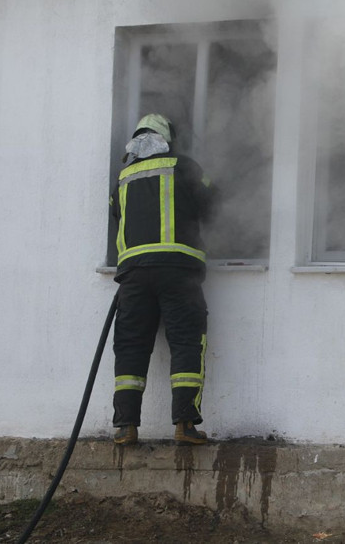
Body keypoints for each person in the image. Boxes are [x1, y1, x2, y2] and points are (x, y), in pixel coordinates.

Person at [109, 113, 215, 445]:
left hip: (134, 277)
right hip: (178, 272)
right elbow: (211, 203)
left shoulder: (123, 177)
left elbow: (117, 216)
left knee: (130, 346)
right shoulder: (183, 166)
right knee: (185, 342)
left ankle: (126, 427)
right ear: (168, 139)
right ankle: (184, 425)